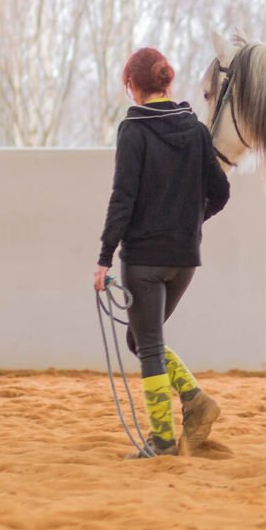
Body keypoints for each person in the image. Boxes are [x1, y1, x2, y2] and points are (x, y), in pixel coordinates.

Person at [94, 48, 231, 458]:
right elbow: (221, 193)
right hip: (184, 259)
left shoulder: (133, 131)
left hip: (144, 260)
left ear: (132, 85)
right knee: (141, 338)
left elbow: (123, 199)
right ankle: (194, 399)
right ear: (167, 82)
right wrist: (190, 223)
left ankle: (162, 439)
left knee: (147, 344)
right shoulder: (195, 130)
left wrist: (104, 258)